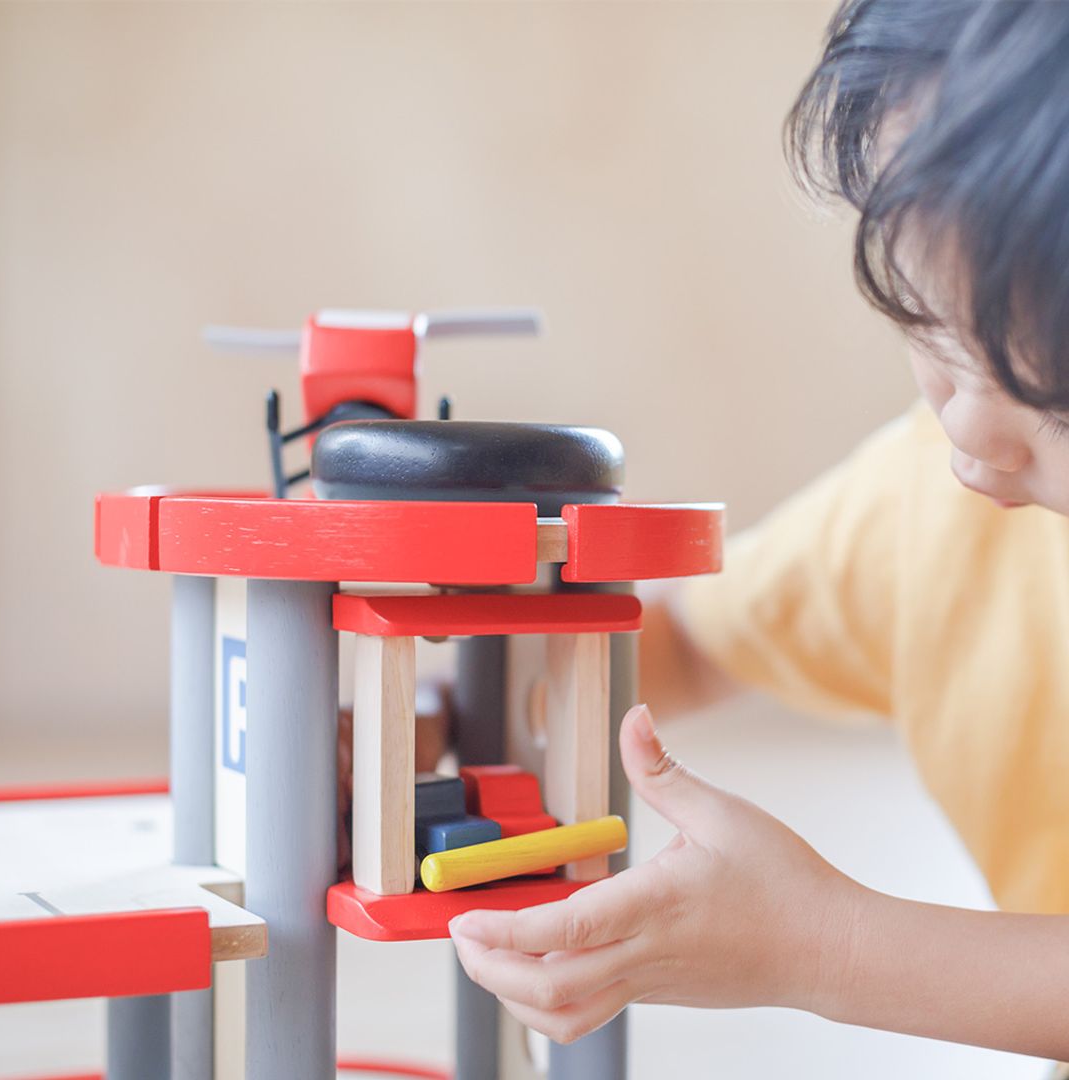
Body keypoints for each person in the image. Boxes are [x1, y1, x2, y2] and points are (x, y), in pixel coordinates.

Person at [448, 0, 1069, 1064]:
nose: (969, 425)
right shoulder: (928, 513)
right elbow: (685, 641)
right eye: (932, 330)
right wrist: (449, 716)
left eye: (1051, 395)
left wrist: (822, 944)